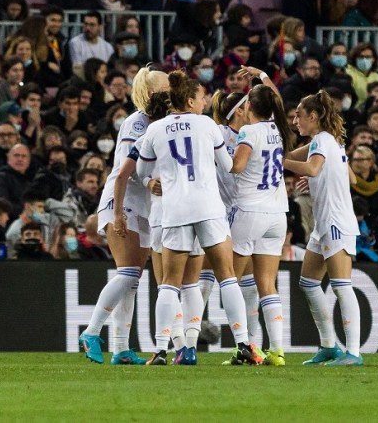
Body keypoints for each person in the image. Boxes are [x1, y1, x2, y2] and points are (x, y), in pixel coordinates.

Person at [136, 70, 254, 366]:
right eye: (201, 98)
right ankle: (243, 345)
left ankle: (162, 350)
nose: (205, 103)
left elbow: (141, 171)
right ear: (189, 100)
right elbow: (228, 166)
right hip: (208, 208)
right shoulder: (207, 125)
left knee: (169, 283)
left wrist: (152, 183)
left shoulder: (156, 129)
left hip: (175, 210)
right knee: (227, 276)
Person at [80, 66, 170, 366]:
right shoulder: (137, 123)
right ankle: (91, 332)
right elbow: (124, 170)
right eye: (166, 88)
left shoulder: (164, 124)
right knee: (129, 272)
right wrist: (118, 212)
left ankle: (120, 348)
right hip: (124, 203)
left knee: (132, 279)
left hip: (145, 208)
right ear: (152, 93)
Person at [283, 90, 364, 366]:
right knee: (308, 282)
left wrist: (285, 164)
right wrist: (318, 178)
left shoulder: (322, 142)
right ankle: (329, 346)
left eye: (299, 116)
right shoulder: (330, 142)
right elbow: (351, 178)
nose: (295, 121)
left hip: (336, 222)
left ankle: (353, 352)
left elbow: (313, 168)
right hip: (324, 223)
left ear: (314, 117)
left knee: (342, 286)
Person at [227, 80, 293, 366]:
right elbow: (274, 98)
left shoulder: (248, 131)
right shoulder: (278, 130)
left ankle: (245, 348)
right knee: (267, 283)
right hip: (277, 214)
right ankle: (276, 350)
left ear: (249, 106)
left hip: (249, 211)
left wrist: (217, 156)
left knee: (231, 279)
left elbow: (237, 166)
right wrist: (263, 76)